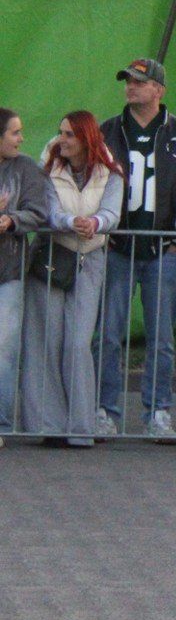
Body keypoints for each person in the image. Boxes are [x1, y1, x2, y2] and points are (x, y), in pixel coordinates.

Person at [97, 58, 176, 441]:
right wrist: (102, 230)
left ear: (159, 90)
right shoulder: (108, 131)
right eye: (127, 81)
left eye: (139, 82)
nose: (131, 87)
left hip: (163, 250)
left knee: (161, 337)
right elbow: (92, 182)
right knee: (108, 334)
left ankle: (158, 411)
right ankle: (103, 410)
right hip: (117, 247)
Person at [19, 113, 123, 446]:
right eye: (60, 133)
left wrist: (95, 222)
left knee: (78, 342)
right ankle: (49, 426)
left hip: (90, 258)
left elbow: (113, 212)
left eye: (69, 135)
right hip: (53, 255)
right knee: (46, 340)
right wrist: (68, 221)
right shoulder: (49, 169)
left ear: (85, 138)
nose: (62, 140)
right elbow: (47, 209)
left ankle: (80, 428)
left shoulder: (111, 172)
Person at [0, 108, 53, 442]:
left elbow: (39, 212)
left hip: (9, 271)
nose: (21, 138)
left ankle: (1, 423)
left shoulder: (26, 168)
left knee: (4, 349)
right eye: (14, 132)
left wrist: (11, 220)